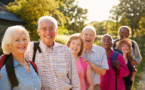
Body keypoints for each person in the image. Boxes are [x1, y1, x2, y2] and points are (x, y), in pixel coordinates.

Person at [25, 16, 80, 90]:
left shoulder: (65, 51)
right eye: (44, 28)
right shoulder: (29, 49)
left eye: (51, 28)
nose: (48, 32)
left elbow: (75, 81)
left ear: (56, 31)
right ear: (39, 31)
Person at [0, 25, 41, 90]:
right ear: (8, 45)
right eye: (17, 40)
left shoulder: (33, 66)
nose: (22, 43)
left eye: (24, 39)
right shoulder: (5, 71)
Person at [81, 25, 109, 90]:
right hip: (79, 87)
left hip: (95, 87)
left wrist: (92, 64)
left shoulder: (101, 51)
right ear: (82, 36)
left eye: (91, 35)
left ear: (94, 37)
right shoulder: (77, 49)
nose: (88, 37)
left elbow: (103, 72)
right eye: (86, 34)